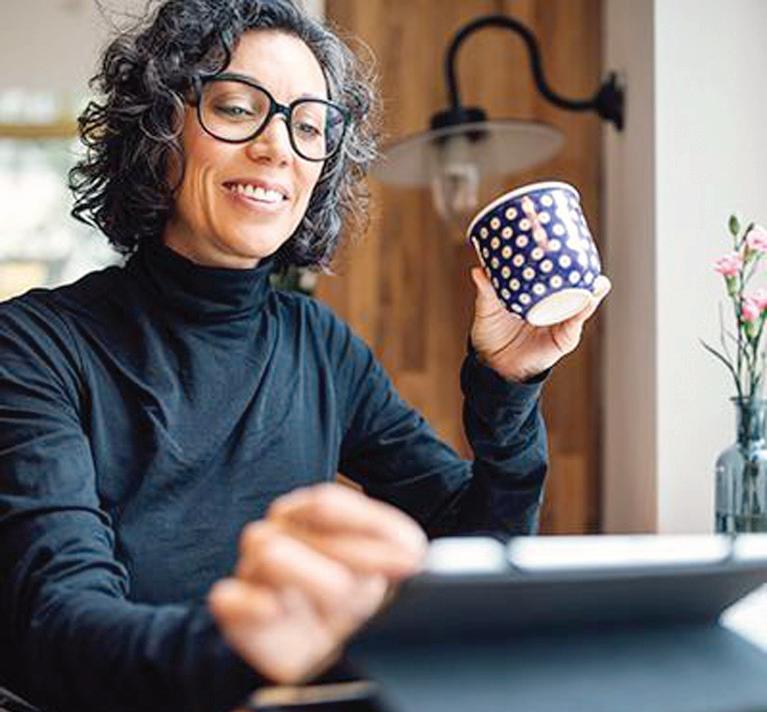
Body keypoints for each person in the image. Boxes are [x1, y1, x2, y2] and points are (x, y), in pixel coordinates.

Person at [0, 1, 610, 710]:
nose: (278, 147)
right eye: (236, 109)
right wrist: (249, 649)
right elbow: (58, 623)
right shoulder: (33, 346)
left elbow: (478, 548)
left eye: (310, 125)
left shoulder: (320, 344)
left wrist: (508, 384)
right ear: (159, 127)